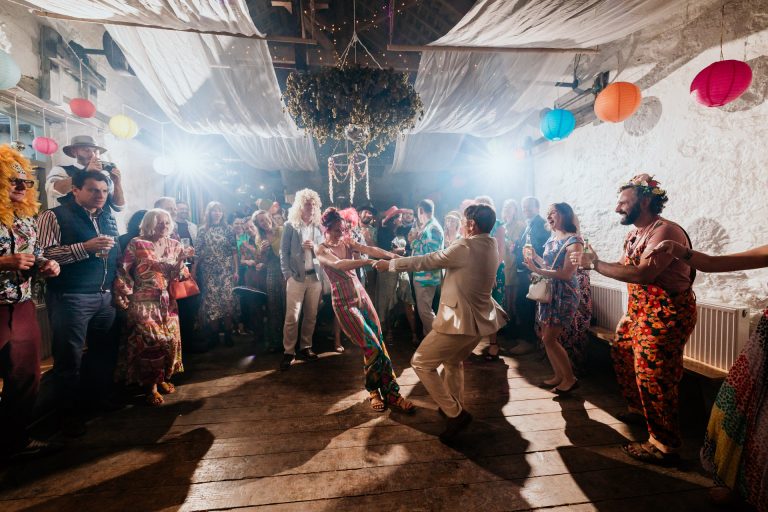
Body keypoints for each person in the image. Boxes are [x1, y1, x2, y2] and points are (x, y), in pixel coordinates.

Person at [572, 174, 696, 465]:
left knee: (655, 376)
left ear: (644, 200)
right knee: (623, 353)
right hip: (639, 312)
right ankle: (640, 412)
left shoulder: (665, 232)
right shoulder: (634, 233)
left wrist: (596, 264)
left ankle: (665, 445)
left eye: (623, 203)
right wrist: (598, 261)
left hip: (666, 314)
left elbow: (643, 274)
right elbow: (626, 267)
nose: (617, 209)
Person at [648, 239, 767, 509]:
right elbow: (714, 263)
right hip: (766, 345)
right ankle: (739, 486)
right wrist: (680, 251)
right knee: (743, 416)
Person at [374, 204, 507, 443]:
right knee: (453, 361)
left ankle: (455, 414)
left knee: (421, 362)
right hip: (479, 322)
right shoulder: (491, 244)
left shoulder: (466, 245)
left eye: (465, 220)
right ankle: (453, 407)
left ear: (472, 225)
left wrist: (392, 264)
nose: (463, 223)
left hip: (459, 320)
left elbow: (430, 260)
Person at [38, 170, 120, 436]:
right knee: (69, 359)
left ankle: (97, 402)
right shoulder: (54, 215)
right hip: (72, 296)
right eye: (93, 190)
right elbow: (45, 254)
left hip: (105, 295)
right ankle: (66, 416)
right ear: (75, 190)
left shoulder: (107, 215)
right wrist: (85, 247)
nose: (100, 196)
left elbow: (114, 252)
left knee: (103, 353)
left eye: (104, 191)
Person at [316, 208, 416, 413]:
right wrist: (368, 262)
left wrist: (394, 259)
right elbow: (340, 264)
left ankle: (389, 393)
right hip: (344, 303)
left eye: (341, 229)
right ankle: (376, 390)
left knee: (377, 342)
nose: (339, 233)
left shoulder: (347, 241)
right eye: (335, 230)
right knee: (372, 346)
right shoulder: (322, 249)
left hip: (361, 296)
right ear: (326, 229)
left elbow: (372, 250)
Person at [0, 146, 61, 459]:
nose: (22, 187)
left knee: (26, 377)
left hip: (21, 305)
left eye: (26, 182)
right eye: (13, 181)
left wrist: (48, 266)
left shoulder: (27, 222)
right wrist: (2, 262)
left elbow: (34, 257)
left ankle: (14, 440)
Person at [113, 209, 193, 405]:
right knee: (150, 341)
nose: (164, 226)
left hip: (168, 301)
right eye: (159, 222)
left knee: (170, 341)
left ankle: (163, 377)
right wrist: (124, 294)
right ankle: (151, 387)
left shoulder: (175, 244)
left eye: (167, 222)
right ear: (149, 223)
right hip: (143, 301)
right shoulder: (137, 243)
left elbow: (181, 275)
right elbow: (123, 270)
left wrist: (182, 260)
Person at [523, 203, 583, 394]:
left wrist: (536, 269)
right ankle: (558, 375)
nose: (548, 216)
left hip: (564, 293)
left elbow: (566, 274)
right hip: (548, 291)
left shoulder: (575, 241)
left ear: (565, 215)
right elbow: (549, 265)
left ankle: (570, 378)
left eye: (553, 213)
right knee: (545, 336)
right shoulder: (552, 238)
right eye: (547, 214)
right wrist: (536, 259)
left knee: (550, 338)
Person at [280, 188, 324, 370]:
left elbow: (324, 251)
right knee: (292, 316)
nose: (311, 207)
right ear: (300, 205)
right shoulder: (291, 225)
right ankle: (289, 351)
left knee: (311, 315)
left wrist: (315, 247)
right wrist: (287, 275)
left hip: (315, 277)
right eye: (307, 204)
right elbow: (284, 252)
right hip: (296, 278)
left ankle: (306, 347)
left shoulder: (319, 226)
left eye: (313, 204)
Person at [193, 201, 239, 346]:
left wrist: (236, 271)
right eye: (214, 211)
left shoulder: (228, 229)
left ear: (222, 213)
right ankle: (214, 335)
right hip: (208, 272)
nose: (217, 213)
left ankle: (228, 334)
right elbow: (198, 252)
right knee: (212, 304)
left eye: (219, 211)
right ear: (209, 213)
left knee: (228, 302)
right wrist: (193, 270)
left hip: (226, 271)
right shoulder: (202, 230)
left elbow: (234, 251)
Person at [375, 206, 419, 345]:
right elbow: (384, 252)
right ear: (393, 220)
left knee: (408, 300)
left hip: (401, 269)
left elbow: (412, 237)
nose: (401, 219)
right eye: (399, 217)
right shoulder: (383, 233)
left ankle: (414, 333)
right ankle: (389, 332)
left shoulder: (402, 231)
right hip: (387, 271)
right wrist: (402, 251)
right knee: (387, 302)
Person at [45, 135, 125, 212]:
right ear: (74, 151)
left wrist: (117, 183)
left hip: (105, 224)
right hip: (75, 222)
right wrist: (85, 172)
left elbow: (118, 207)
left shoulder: (105, 176)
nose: (91, 154)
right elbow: (52, 191)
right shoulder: (61, 170)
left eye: (94, 151)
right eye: (86, 150)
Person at [512, 196, 549, 352]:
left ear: (537, 207)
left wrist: (532, 270)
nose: (525, 209)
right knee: (522, 305)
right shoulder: (530, 224)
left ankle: (528, 342)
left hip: (532, 273)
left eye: (528, 206)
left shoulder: (540, 224)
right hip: (526, 271)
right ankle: (528, 341)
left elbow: (540, 250)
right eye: (523, 206)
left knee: (525, 306)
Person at [475, 196, 507, 360]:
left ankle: (493, 343)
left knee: (492, 305)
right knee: (477, 305)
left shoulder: (499, 226)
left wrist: (492, 273)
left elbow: (500, 252)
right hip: (476, 269)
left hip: (494, 269)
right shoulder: (475, 225)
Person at [251, 210, 285, 353]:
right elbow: (261, 261)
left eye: (265, 219)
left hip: (287, 270)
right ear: (258, 224)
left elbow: (288, 251)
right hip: (271, 272)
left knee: (288, 306)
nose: (264, 222)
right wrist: (263, 252)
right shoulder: (260, 238)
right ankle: (276, 341)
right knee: (274, 307)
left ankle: (292, 341)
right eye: (261, 221)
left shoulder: (282, 230)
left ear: (270, 217)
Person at [409, 199, 444, 337]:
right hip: (424, 275)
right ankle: (428, 343)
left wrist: (414, 242)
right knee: (425, 311)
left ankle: (438, 340)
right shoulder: (428, 226)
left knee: (425, 311)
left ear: (421, 210)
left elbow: (431, 253)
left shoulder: (433, 227)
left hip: (427, 276)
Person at [501, 199, 525, 327]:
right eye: (505, 208)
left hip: (514, 262)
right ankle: (507, 324)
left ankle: (515, 326)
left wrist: (503, 237)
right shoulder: (502, 226)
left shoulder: (520, 225)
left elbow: (514, 243)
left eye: (510, 208)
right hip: (503, 262)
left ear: (515, 211)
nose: (507, 210)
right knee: (505, 296)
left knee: (514, 298)